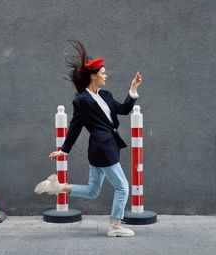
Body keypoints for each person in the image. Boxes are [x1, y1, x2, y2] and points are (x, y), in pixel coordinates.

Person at [35, 40, 142, 237]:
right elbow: (75, 126)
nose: (106, 76)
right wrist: (64, 149)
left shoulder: (107, 95)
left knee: (93, 191)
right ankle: (115, 226)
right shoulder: (81, 101)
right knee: (123, 187)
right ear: (93, 76)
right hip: (103, 149)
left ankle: (58, 187)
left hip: (102, 149)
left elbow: (124, 109)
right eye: (103, 73)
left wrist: (133, 89)